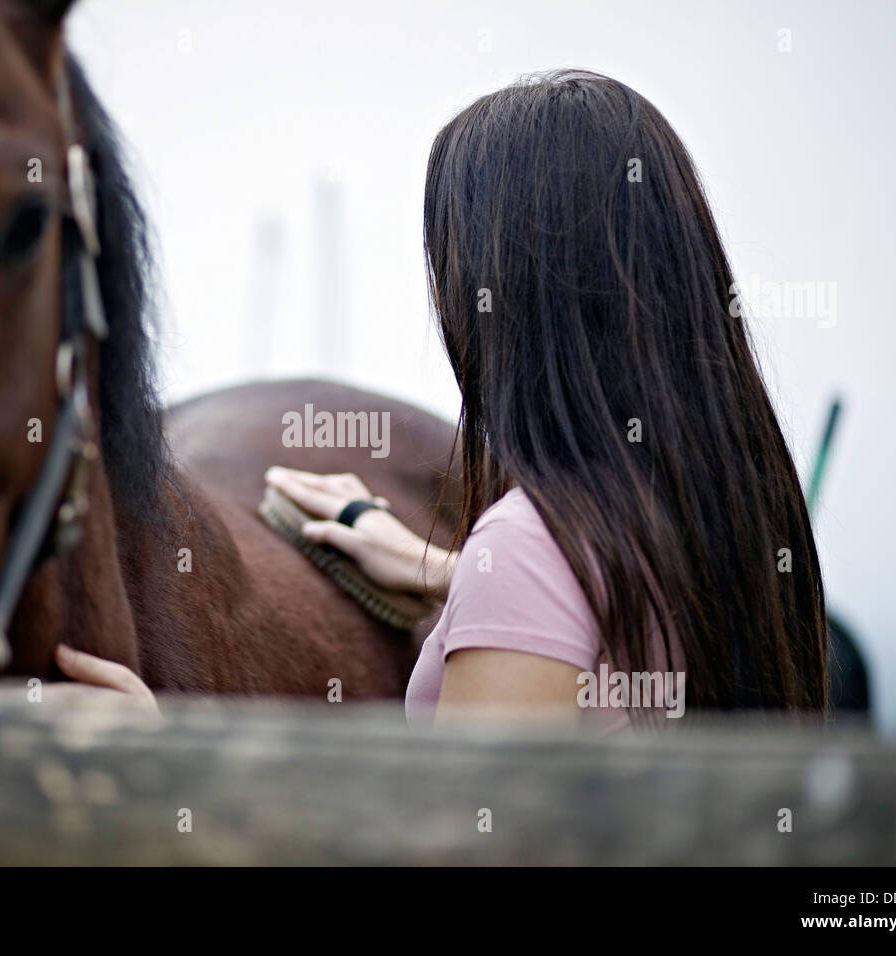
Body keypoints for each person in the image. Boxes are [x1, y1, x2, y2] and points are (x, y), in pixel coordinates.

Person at [58, 69, 828, 728]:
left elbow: (453, 838)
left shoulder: (530, 546)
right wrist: (452, 574)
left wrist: (169, 768)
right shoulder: (739, 514)